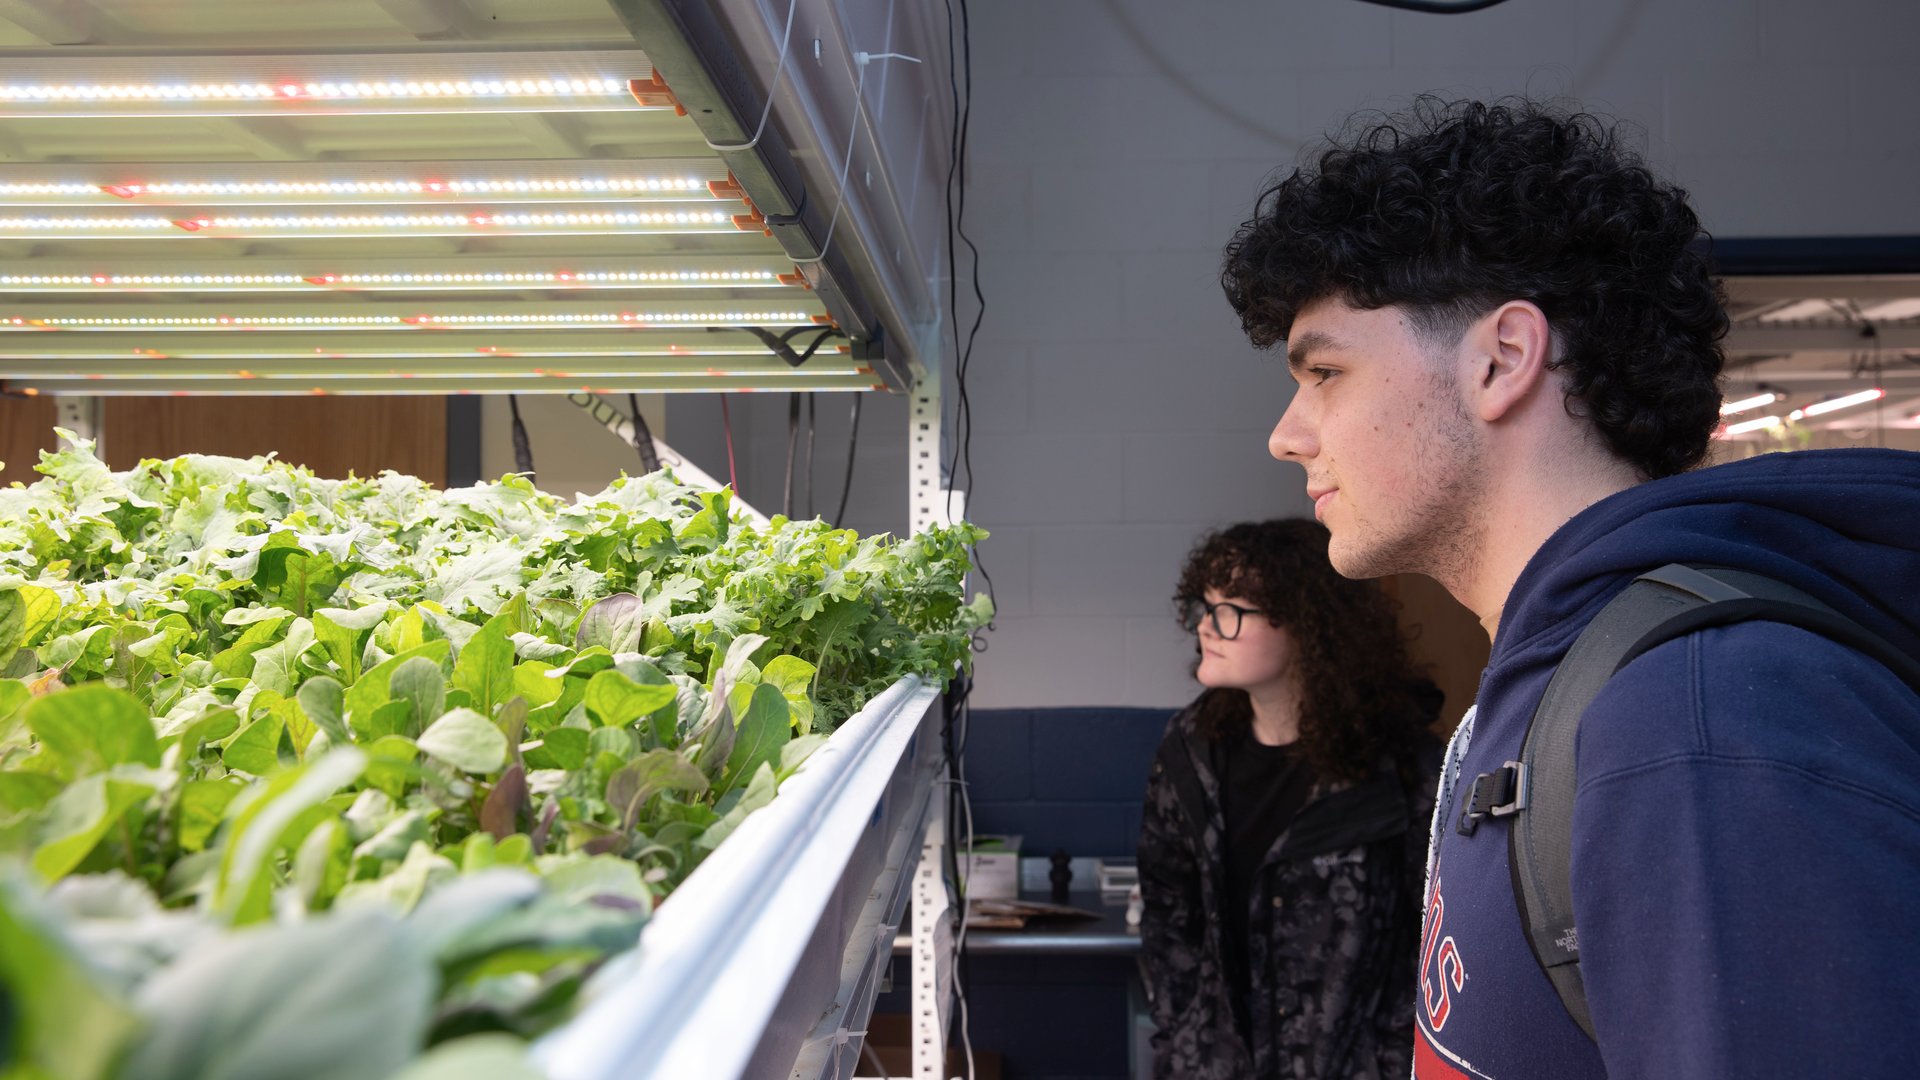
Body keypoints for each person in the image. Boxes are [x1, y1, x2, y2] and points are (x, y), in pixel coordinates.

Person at [1220, 96, 1920, 1078]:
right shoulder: (1548, 686)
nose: (1288, 435)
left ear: (1503, 359)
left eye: (1324, 373)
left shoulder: (1697, 721)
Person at [1137, 519, 1441, 1080]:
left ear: (1306, 626)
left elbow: (1432, 935)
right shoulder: (1189, 753)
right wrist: (1183, 1039)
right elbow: (1167, 917)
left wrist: (1394, 1056)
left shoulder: (1400, 765)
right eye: (1202, 606)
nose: (1206, 626)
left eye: (1230, 609)